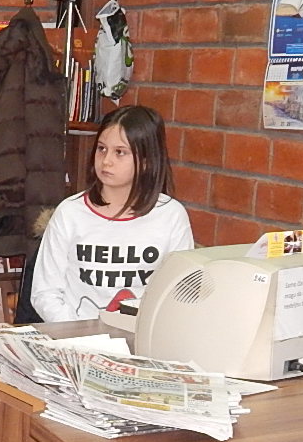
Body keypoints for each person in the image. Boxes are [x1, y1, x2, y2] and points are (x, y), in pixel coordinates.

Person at [29, 105, 194, 322]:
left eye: (120, 152)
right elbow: (45, 293)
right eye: (101, 149)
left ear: (146, 161)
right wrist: (77, 332)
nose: (106, 161)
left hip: (139, 335)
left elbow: (181, 293)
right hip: (76, 335)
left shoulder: (171, 215)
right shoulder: (70, 213)